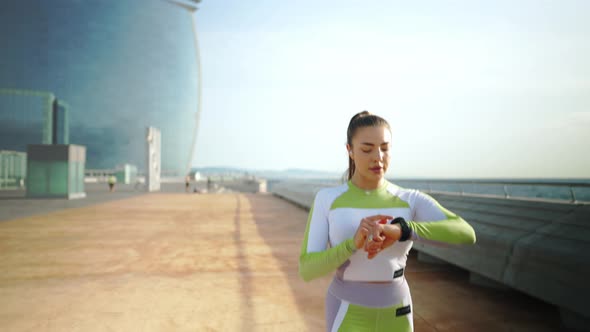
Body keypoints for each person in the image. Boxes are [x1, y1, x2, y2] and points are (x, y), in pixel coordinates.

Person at [299, 111, 476, 331]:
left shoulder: (409, 199)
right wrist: (352, 244)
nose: (378, 157)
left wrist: (403, 230)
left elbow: (466, 233)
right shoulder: (328, 199)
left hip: (398, 311)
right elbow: (307, 269)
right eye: (367, 149)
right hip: (346, 312)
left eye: (385, 148)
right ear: (350, 151)